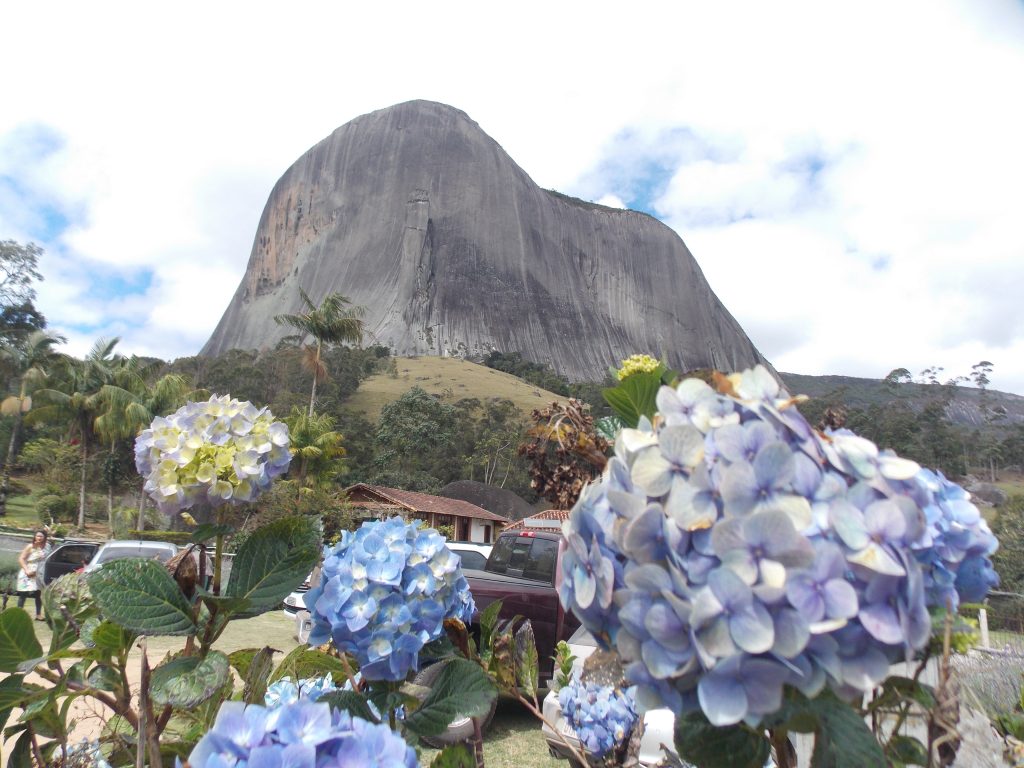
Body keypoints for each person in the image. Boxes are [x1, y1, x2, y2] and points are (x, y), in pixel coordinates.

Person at [16, 530, 50, 620]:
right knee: (23, 594)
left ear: (45, 537)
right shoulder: (30, 547)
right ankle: (19, 614)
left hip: (40, 573)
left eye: (41, 536)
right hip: (28, 573)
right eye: (37, 536)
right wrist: (26, 570)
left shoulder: (47, 546)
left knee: (38, 594)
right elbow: (21, 559)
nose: (39, 538)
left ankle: (38, 615)